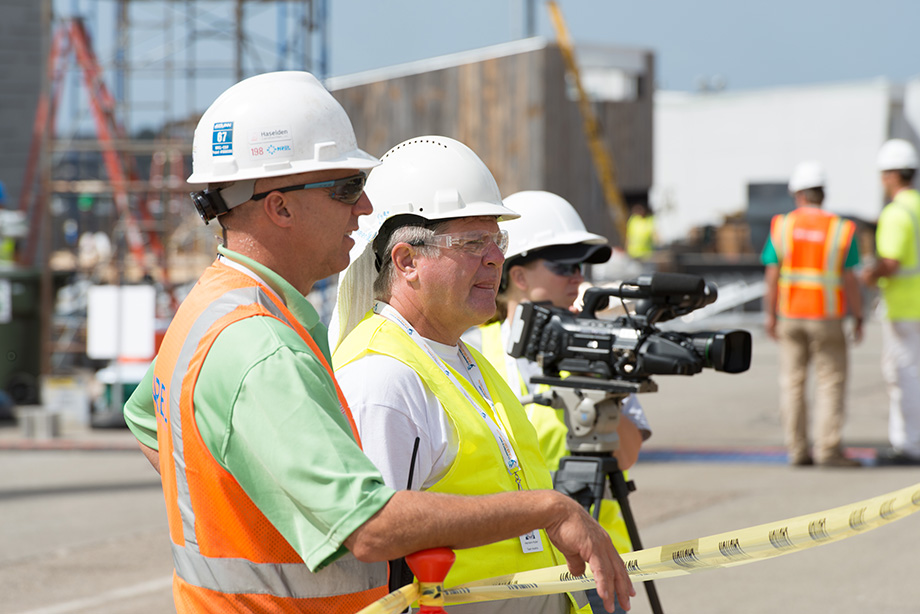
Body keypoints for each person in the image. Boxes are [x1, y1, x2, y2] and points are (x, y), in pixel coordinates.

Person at [123, 74, 634, 613]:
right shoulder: (263, 347)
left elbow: (146, 420)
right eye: (345, 187)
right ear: (279, 207)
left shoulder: (215, 309)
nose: (365, 208)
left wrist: (258, 498)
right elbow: (369, 528)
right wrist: (548, 510)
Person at [330, 136, 629, 614]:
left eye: (498, 241)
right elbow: (375, 548)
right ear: (407, 261)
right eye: (472, 243)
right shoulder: (384, 378)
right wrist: (547, 509)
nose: (495, 258)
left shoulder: (464, 358)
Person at [468, 190, 651, 614]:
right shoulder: (472, 350)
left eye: (581, 266)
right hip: (513, 576)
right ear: (517, 276)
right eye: (563, 265)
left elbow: (625, 456)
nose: (577, 277)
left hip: (597, 574)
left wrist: (599, 380)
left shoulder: (601, 349)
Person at [762, 160, 863, 468]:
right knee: (830, 381)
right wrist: (858, 316)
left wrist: (770, 315)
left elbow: (772, 273)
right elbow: (850, 279)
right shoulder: (841, 228)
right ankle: (828, 449)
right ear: (823, 194)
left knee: (791, 383)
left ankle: (797, 450)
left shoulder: (782, 225)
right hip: (828, 316)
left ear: (799, 194)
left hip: (790, 314)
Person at [860, 138, 920, 466]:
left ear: (892, 175)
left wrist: (869, 276)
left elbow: (892, 262)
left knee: (903, 375)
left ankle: (909, 445)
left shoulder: (897, 213)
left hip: (905, 308)